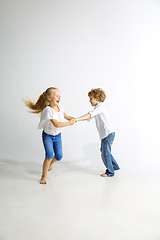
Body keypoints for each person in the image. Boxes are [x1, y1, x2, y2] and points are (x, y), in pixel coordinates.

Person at [23, 87, 75, 184]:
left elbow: (62, 113)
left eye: (60, 96)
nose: (59, 98)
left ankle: (50, 164)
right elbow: (56, 124)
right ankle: (44, 176)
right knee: (49, 156)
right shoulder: (48, 110)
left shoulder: (59, 106)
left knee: (59, 156)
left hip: (57, 135)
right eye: (56, 96)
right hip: (48, 136)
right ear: (49, 98)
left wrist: (68, 117)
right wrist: (69, 123)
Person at [75, 88, 120, 177]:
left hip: (108, 133)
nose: (89, 101)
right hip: (106, 134)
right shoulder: (98, 108)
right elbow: (89, 116)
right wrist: (77, 119)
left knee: (105, 153)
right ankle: (114, 166)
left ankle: (110, 172)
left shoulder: (100, 108)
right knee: (105, 151)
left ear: (97, 98)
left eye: (91, 98)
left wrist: (77, 119)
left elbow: (89, 114)